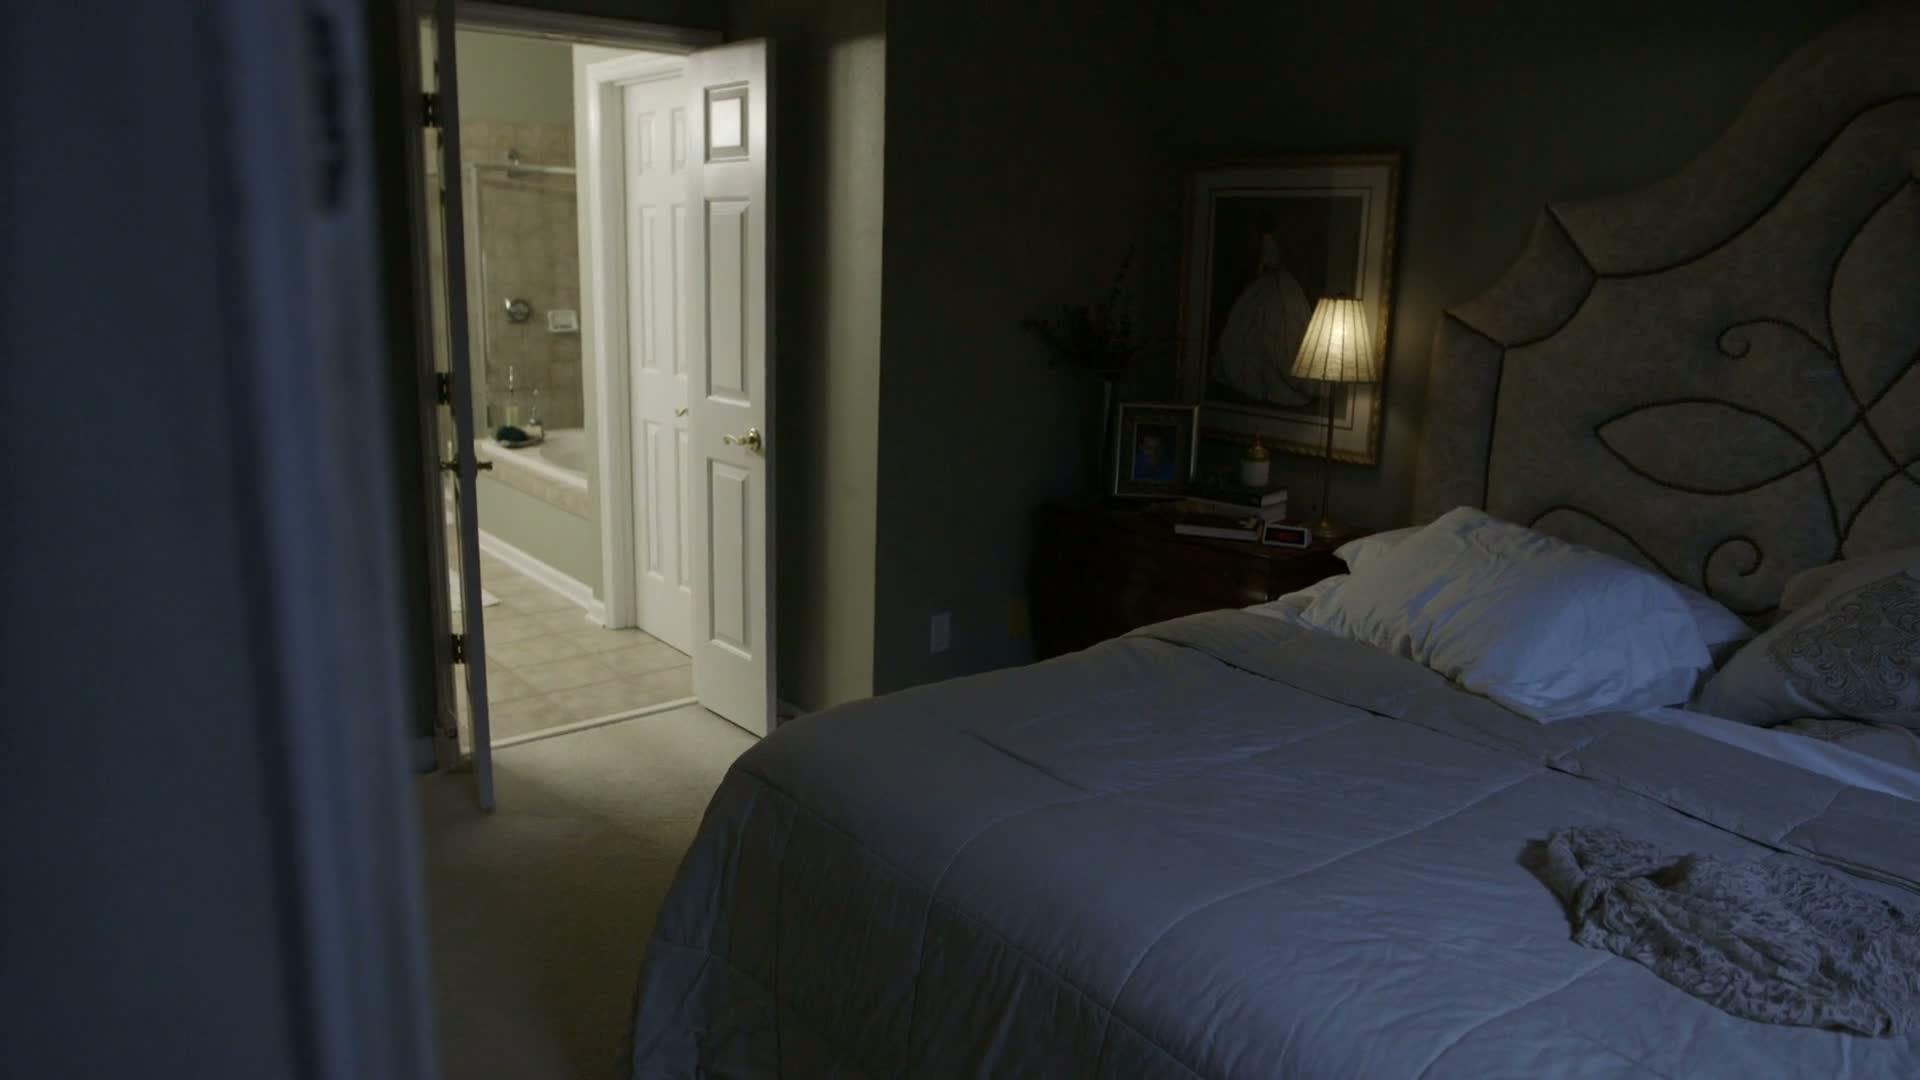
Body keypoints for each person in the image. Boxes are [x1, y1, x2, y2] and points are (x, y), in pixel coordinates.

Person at [1212, 228, 1314, 407]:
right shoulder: (1264, 246)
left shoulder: (1270, 244)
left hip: (1276, 282)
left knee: (1282, 327)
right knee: (1253, 327)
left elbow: (1270, 262)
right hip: (1270, 283)